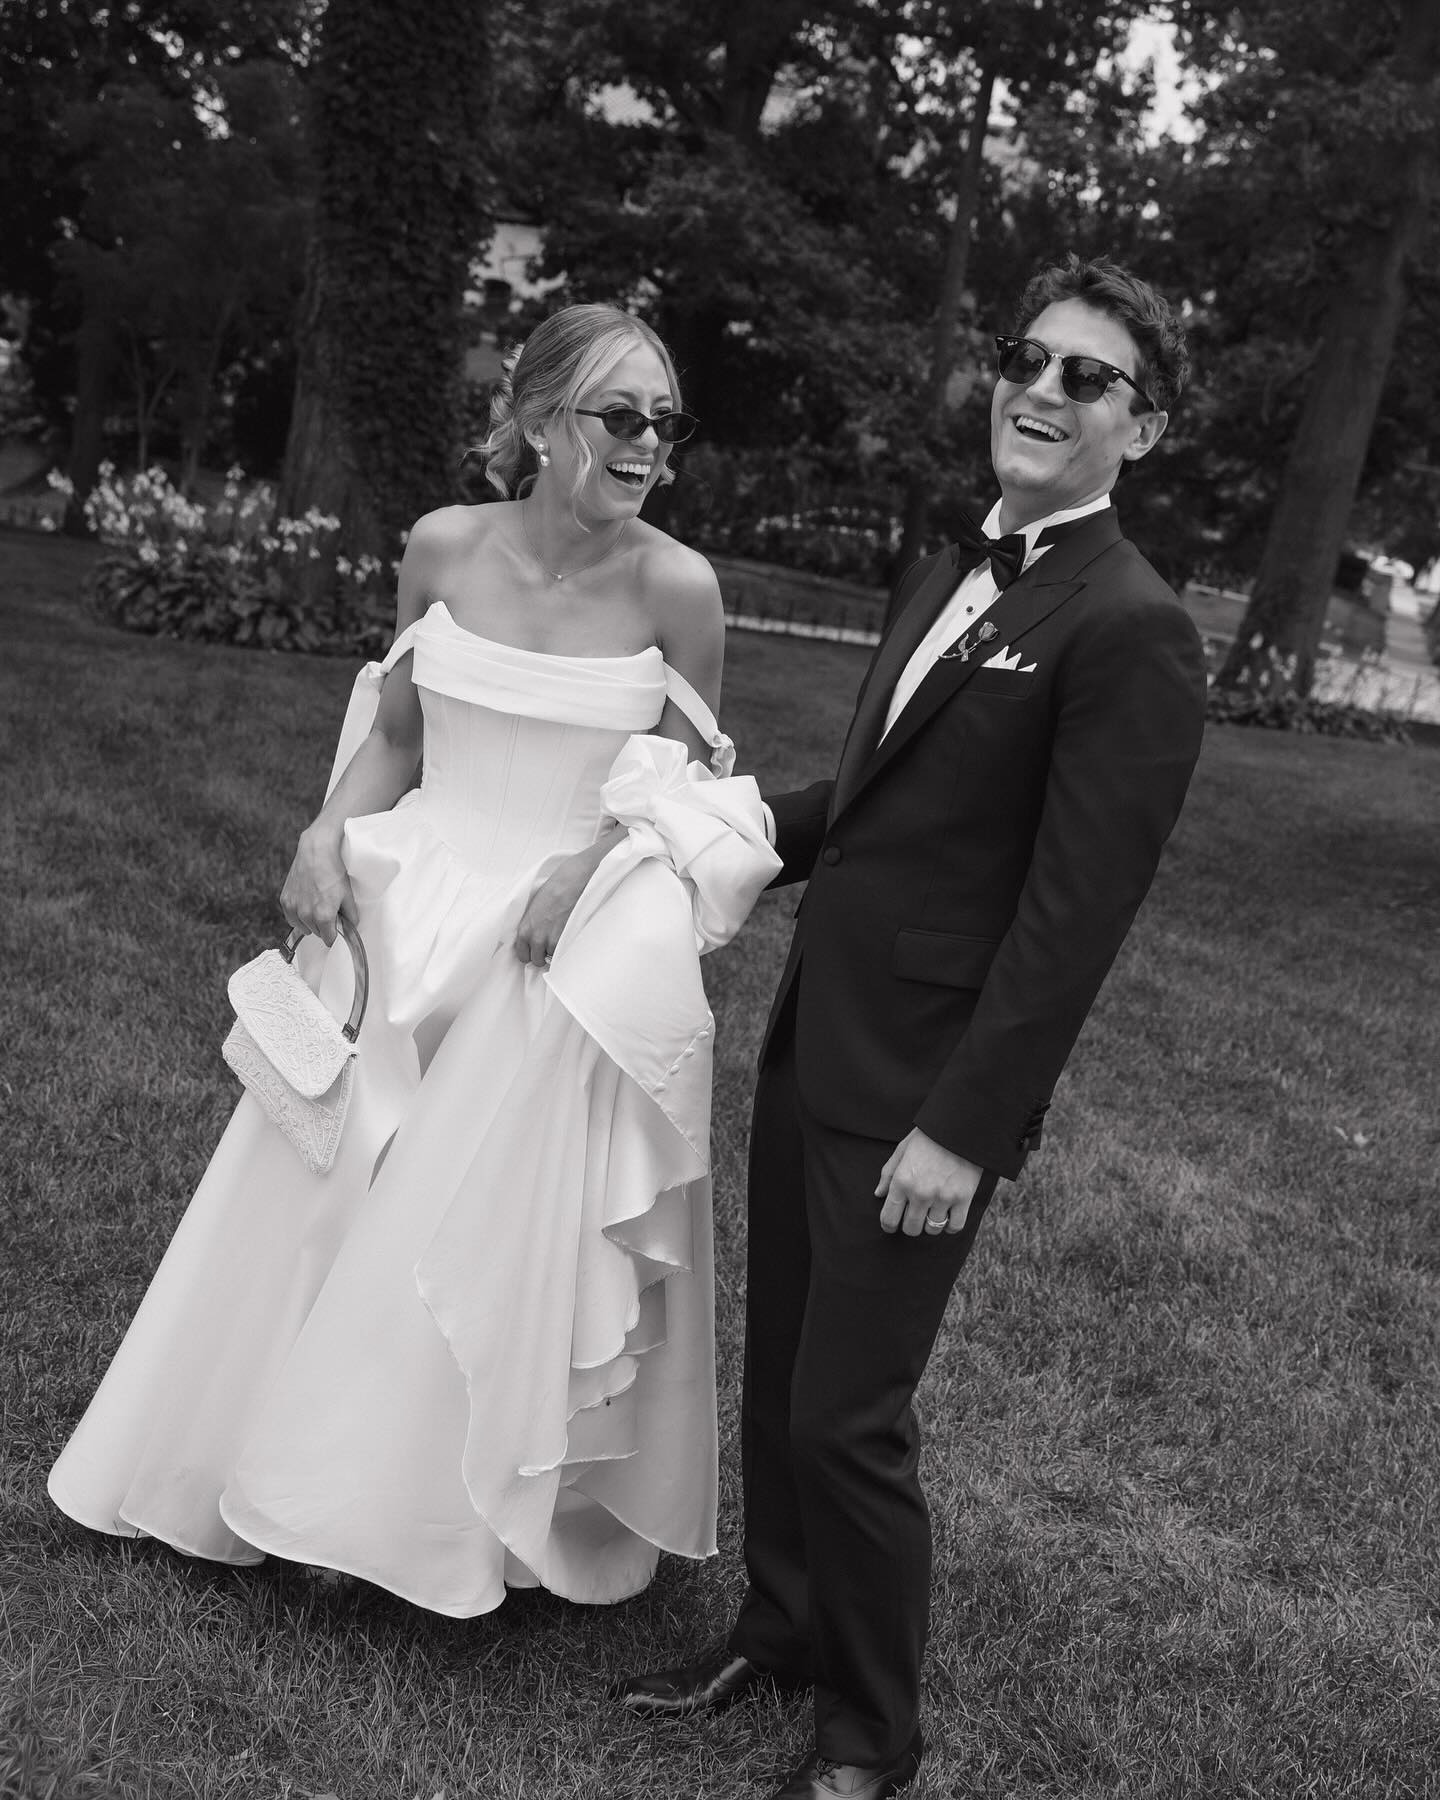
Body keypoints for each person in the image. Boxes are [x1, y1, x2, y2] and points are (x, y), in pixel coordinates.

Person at [48, 303, 779, 1615]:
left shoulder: (680, 588)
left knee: (460, 1227)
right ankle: (235, 1466)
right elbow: (396, 734)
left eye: (667, 423)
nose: (649, 444)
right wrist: (323, 833)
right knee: (322, 1192)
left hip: (548, 941)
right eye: (622, 415)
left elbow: (681, 793)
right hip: (403, 905)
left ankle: (393, 1518)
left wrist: (583, 868)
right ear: (540, 419)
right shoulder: (443, 545)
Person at [615, 255, 1209, 1799]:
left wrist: (964, 1127)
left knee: (848, 1416)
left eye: (1088, 376)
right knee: (782, 1375)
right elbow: (877, 803)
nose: (1043, 388)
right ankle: (781, 1629)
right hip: (821, 1033)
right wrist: (710, 826)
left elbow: (1073, 918)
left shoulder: (1132, 627)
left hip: (924, 1090)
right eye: (1028, 355)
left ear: (1143, 428)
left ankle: (872, 1739)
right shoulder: (943, 566)